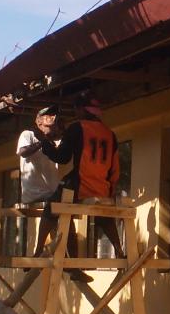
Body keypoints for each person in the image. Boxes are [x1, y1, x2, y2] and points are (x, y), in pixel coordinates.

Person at [41, 96, 124, 259]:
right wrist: (110, 191)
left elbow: (62, 157)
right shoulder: (110, 134)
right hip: (102, 188)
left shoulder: (77, 127)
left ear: (81, 109)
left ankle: (38, 251)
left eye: (76, 109)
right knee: (104, 217)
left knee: (51, 208)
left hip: (81, 186)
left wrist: (46, 145)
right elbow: (115, 169)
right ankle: (119, 250)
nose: (75, 113)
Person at [16, 105, 65, 254]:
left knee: (65, 216)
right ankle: (39, 250)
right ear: (38, 123)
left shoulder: (52, 141)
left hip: (50, 193)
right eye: (47, 120)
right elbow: (23, 152)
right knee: (61, 211)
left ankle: (66, 259)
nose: (51, 122)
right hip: (35, 193)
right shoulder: (28, 135)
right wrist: (41, 143)